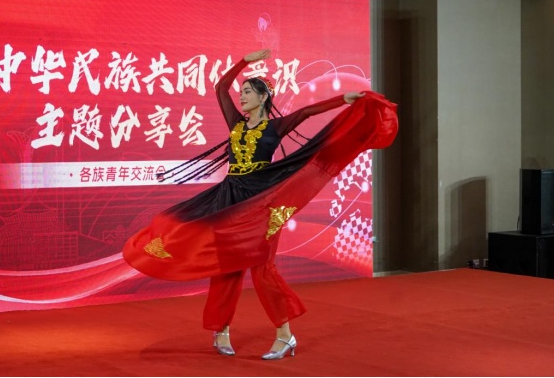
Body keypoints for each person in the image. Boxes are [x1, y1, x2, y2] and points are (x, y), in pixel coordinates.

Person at [123, 49, 398, 360]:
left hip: (261, 201)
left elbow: (307, 112)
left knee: (263, 267)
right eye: (241, 92)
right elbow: (220, 87)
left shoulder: (275, 127)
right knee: (225, 267)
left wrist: (343, 99)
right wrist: (245, 62)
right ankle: (221, 330)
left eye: (247, 92)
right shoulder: (236, 123)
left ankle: (285, 335)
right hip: (228, 200)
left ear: (263, 97)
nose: (241, 97)